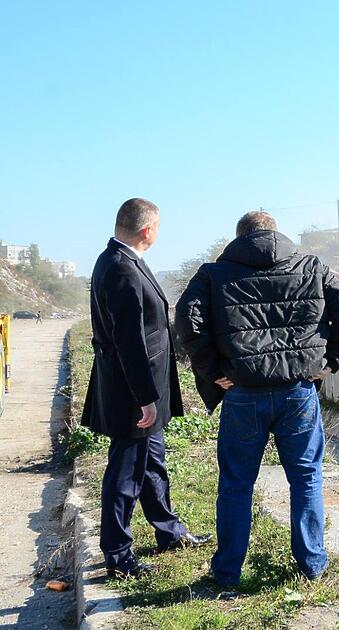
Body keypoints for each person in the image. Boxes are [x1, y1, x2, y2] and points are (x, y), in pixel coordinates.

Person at [175, 211, 339, 588]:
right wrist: (330, 361)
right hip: (298, 392)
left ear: (239, 236)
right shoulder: (312, 266)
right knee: (306, 478)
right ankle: (312, 566)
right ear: (275, 232)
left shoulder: (213, 273)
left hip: (243, 393)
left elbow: (187, 318)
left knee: (236, 484)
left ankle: (227, 574)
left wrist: (213, 371)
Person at [82, 198, 211, 579]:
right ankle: (118, 555)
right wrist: (145, 399)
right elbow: (129, 340)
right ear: (147, 230)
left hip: (136, 386)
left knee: (153, 465)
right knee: (125, 473)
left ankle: (169, 532)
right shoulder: (122, 268)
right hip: (132, 392)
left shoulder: (119, 260)